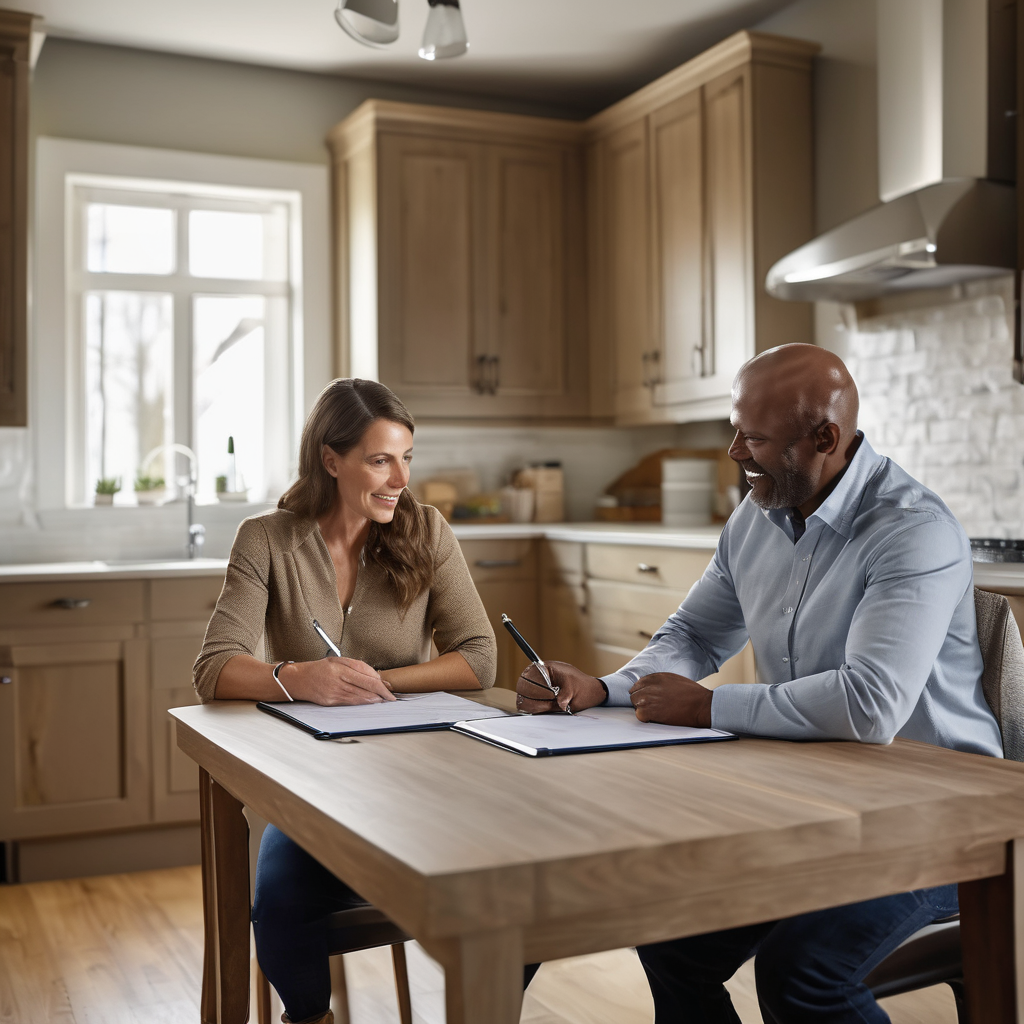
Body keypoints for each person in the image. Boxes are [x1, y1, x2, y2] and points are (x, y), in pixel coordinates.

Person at [517, 343, 1002, 1024]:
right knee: (671, 939)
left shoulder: (910, 531)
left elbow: (870, 704)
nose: (735, 451)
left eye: (755, 437)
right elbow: (694, 636)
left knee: (804, 974)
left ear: (824, 439)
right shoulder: (756, 517)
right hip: (820, 801)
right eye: (734, 429)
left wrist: (712, 705)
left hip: (945, 821)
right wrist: (605, 687)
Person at [194, 377, 497, 1024]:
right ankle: (311, 1016)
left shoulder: (428, 531)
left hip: (423, 776)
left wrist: (380, 683)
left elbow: (478, 657)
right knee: (279, 907)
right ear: (331, 460)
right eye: (379, 459)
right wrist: (299, 678)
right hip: (314, 785)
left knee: (506, 886)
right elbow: (214, 668)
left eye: (406, 458)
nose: (399, 480)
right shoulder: (266, 540)